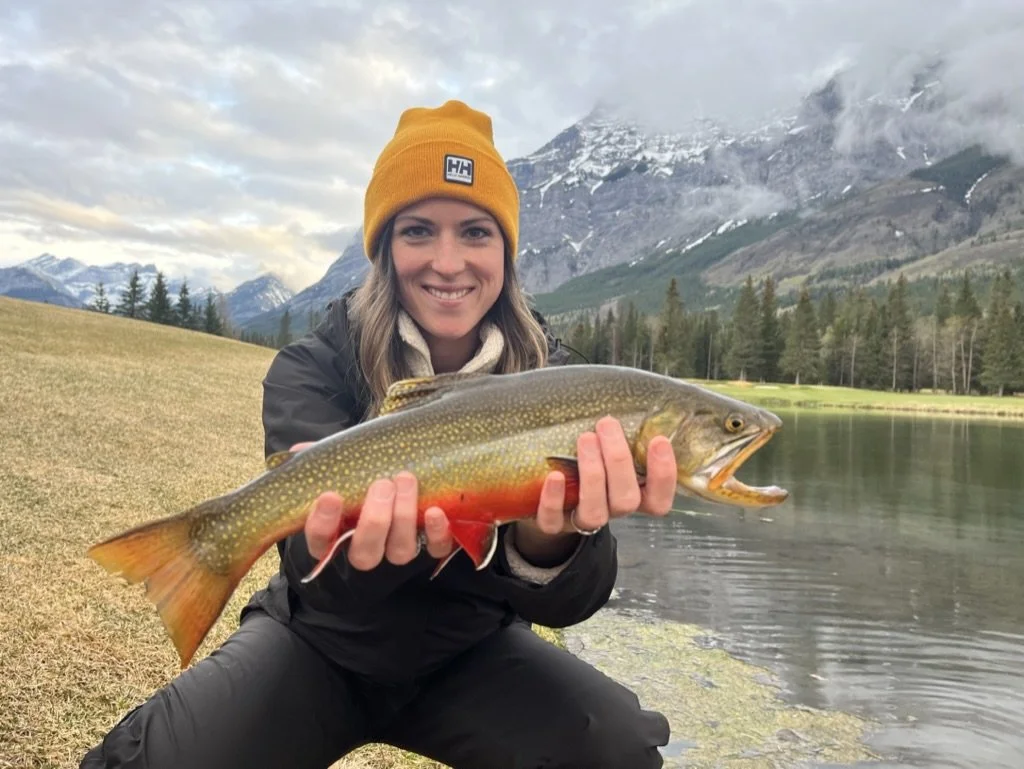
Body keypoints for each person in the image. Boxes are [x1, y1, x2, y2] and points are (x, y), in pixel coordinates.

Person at [81, 99, 677, 769]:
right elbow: (312, 577)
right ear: (385, 248)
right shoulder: (313, 367)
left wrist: (551, 538)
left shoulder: (558, 380)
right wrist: (368, 547)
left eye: (476, 232)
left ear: (505, 252)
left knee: (618, 748)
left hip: (474, 653)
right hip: (318, 643)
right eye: (418, 230)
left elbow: (577, 599)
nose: (448, 261)